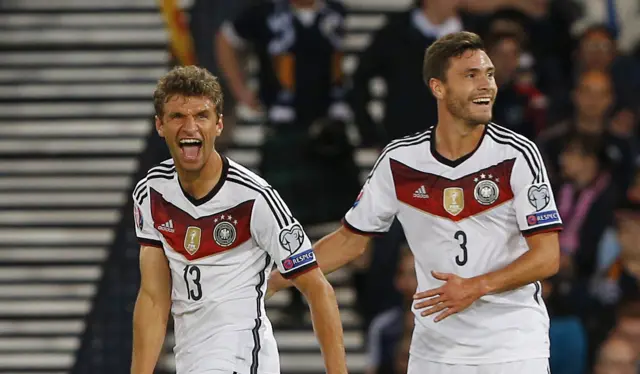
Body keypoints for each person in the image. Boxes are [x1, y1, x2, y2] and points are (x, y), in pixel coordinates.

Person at [268, 31, 562, 373]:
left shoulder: (517, 155)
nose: (487, 85)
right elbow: (349, 241)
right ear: (438, 88)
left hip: (512, 346)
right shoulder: (400, 161)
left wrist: (476, 287)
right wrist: (277, 278)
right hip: (433, 352)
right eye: (471, 75)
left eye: (490, 74)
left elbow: (547, 256)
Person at [129, 66, 347, 374]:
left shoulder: (254, 198)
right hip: (191, 358)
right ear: (160, 125)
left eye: (201, 116)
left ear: (218, 125)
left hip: (242, 356)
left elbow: (318, 288)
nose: (190, 127)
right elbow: (153, 297)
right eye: (178, 116)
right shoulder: (151, 193)